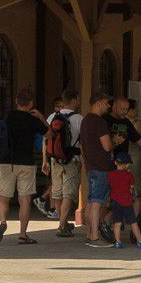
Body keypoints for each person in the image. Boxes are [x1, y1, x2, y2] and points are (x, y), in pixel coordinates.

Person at [0, 89, 48, 245]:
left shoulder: (7, 117)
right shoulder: (32, 120)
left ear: (16, 101)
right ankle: (23, 235)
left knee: (3, 197)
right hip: (26, 163)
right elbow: (49, 135)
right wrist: (42, 119)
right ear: (30, 103)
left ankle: (3, 222)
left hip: (7, 162)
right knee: (25, 200)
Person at [104, 97, 141, 215]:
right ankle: (102, 224)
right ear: (114, 106)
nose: (125, 111)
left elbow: (138, 139)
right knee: (106, 198)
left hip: (123, 164)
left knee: (130, 195)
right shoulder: (105, 120)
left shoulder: (126, 123)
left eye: (126, 109)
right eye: (122, 109)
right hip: (107, 163)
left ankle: (127, 223)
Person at [80, 92, 121, 248]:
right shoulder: (99, 122)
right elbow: (107, 146)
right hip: (102, 167)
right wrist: (115, 141)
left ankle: (89, 234)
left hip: (90, 166)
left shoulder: (85, 120)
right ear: (98, 103)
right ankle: (96, 238)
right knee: (97, 202)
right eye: (106, 103)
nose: (108, 106)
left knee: (91, 202)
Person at [42, 88, 83, 238]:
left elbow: (45, 140)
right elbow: (83, 142)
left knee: (58, 194)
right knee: (69, 194)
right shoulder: (79, 119)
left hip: (54, 160)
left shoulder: (53, 116)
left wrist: (44, 161)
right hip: (71, 160)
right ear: (73, 101)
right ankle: (61, 226)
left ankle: (63, 223)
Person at [107, 152, 141, 249]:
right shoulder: (129, 175)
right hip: (127, 202)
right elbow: (131, 188)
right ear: (127, 165)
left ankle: (118, 242)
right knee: (133, 223)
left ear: (115, 163)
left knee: (117, 223)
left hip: (115, 203)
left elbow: (109, 186)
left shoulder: (110, 174)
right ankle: (140, 242)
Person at [33, 96, 64, 220]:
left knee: (55, 183)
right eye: (59, 106)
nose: (61, 109)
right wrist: (45, 160)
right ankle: (44, 200)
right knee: (57, 183)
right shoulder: (52, 118)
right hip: (54, 155)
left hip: (57, 154)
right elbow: (45, 140)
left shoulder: (58, 118)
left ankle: (52, 208)